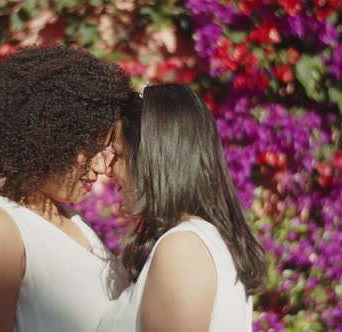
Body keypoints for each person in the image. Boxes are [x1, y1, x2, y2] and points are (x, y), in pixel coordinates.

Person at [0, 45, 135, 332]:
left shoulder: (73, 222)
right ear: (49, 137)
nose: (101, 166)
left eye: (104, 149)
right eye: (91, 148)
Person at [97, 83, 268, 331]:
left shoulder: (183, 248)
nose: (109, 169)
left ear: (152, 159)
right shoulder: (198, 241)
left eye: (119, 155)